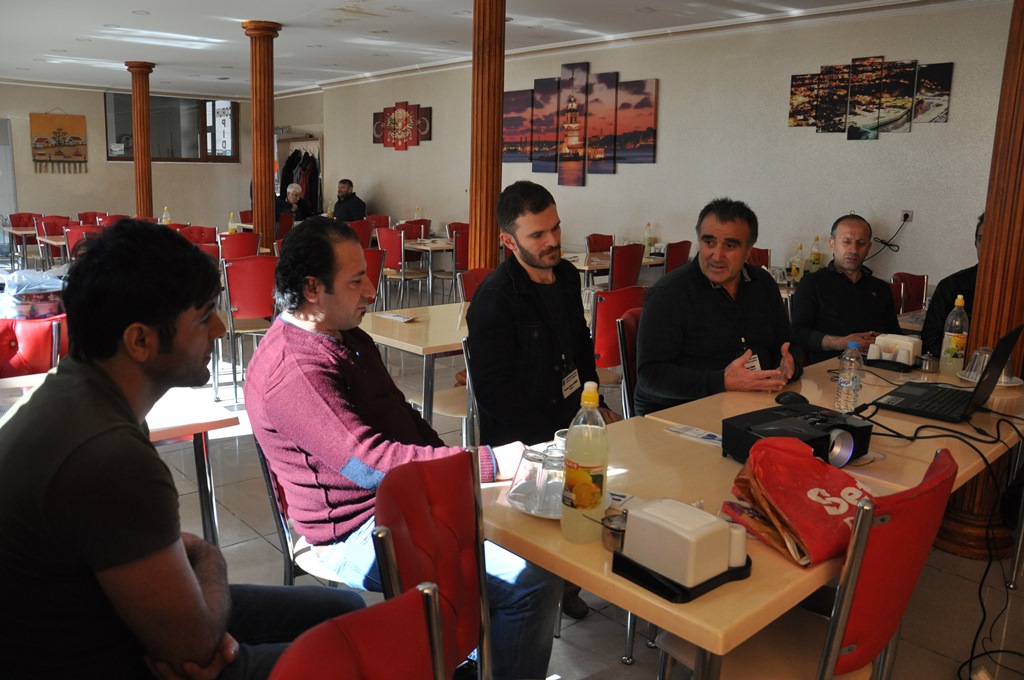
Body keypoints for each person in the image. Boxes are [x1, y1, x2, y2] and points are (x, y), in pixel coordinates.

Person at [0, 220, 364, 679]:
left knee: (343, 611)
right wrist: (210, 556)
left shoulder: (76, 389)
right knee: (353, 657)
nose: (219, 328)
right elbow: (195, 645)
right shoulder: (108, 454)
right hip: (90, 659)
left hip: (108, 616)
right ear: (140, 340)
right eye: (203, 316)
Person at [243, 217, 561, 680]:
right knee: (530, 580)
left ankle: (478, 666)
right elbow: (371, 463)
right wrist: (486, 463)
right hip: (353, 529)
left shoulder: (345, 334)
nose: (371, 291)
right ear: (312, 288)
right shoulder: (295, 369)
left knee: (530, 534)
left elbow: (404, 419)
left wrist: (459, 473)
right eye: (356, 281)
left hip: (399, 500)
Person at [466, 180, 620, 620]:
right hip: (521, 439)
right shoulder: (495, 299)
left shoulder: (566, 276)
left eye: (555, 228)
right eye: (537, 234)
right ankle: (543, 589)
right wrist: (549, 445)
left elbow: (579, 343)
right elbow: (493, 391)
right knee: (546, 528)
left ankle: (569, 582)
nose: (552, 240)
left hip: (570, 416)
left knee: (590, 502)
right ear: (509, 241)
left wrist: (594, 402)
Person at [634, 197, 801, 415]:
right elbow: (650, 375)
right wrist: (722, 381)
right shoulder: (669, 293)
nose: (717, 255)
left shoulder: (762, 283)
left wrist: (791, 365)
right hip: (679, 413)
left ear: (748, 250)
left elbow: (788, 344)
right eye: (709, 243)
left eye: (730, 245)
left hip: (755, 402)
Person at [790, 214, 902, 364]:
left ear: (868, 248)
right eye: (846, 242)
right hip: (829, 369)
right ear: (832, 244)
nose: (853, 250)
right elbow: (798, 333)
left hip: (879, 368)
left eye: (861, 243)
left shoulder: (881, 288)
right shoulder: (812, 283)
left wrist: (884, 340)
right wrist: (842, 343)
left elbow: (895, 334)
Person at [922, 213, 983, 357]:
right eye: (981, 239)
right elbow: (929, 341)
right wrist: (955, 358)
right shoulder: (952, 286)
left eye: (993, 239)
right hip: (955, 364)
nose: (986, 246)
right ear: (975, 243)